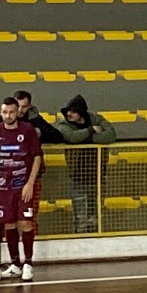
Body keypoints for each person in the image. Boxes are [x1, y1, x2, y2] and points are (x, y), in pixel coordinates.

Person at [0, 96, 43, 280]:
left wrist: (30, 183)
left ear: (17, 112)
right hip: (3, 188)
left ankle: (28, 263)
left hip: (23, 185)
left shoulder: (27, 130)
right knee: (9, 223)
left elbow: (37, 157)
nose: (8, 115)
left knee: (26, 222)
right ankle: (15, 264)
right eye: (4, 112)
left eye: (11, 112)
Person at [55, 94, 117, 234]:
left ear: (81, 112)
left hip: (97, 176)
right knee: (80, 217)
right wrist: (91, 130)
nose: (69, 114)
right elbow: (71, 137)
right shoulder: (64, 124)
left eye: (73, 111)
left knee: (95, 216)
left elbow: (111, 135)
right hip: (77, 177)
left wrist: (85, 138)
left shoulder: (97, 119)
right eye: (68, 111)